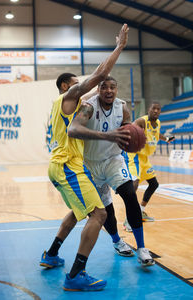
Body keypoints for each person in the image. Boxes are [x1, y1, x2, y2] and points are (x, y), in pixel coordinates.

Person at [40, 24, 131, 292]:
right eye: (77, 83)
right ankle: (76, 274)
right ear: (66, 86)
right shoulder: (68, 97)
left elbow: (97, 86)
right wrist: (119, 47)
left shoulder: (68, 104)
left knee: (79, 211)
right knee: (99, 214)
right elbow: (101, 74)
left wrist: (103, 85)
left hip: (60, 166)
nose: (82, 85)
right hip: (68, 166)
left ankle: (51, 254)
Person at [68, 76, 155, 267]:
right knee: (106, 209)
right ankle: (117, 241)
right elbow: (72, 129)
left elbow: (127, 125)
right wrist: (107, 136)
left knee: (130, 195)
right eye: (104, 87)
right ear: (98, 89)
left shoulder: (122, 106)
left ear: (117, 90)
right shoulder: (89, 107)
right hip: (91, 164)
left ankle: (141, 248)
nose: (108, 91)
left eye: (112, 87)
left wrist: (133, 135)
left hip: (114, 160)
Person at [122, 102, 175, 231]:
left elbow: (157, 135)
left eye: (158, 109)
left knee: (154, 184)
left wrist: (166, 139)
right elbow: (129, 130)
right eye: (153, 108)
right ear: (148, 110)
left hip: (144, 158)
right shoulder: (141, 121)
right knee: (133, 186)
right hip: (134, 156)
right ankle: (129, 219)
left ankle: (140, 211)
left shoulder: (158, 123)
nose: (156, 111)